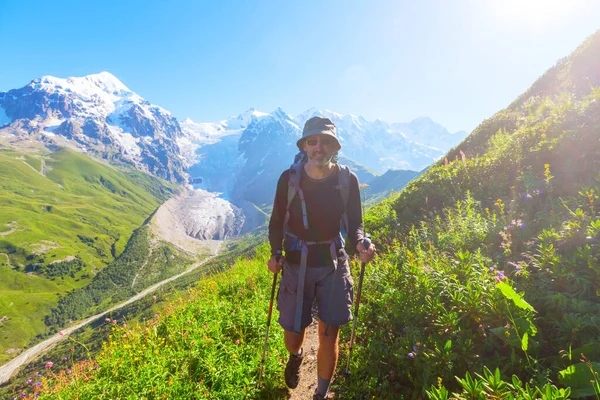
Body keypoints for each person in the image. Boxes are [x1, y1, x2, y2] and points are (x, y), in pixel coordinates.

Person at [267, 116, 376, 399]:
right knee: (293, 334)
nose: (319, 147)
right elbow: (277, 221)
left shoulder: (346, 179)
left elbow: (355, 222)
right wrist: (275, 254)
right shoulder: (288, 179)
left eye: (325, 141)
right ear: (304, 146)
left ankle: (321, 394)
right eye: (313, 141)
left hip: (333, 262)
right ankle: (296, 355)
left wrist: (362, 242)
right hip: (294, 262)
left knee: (331, 333)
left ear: (334, 147)